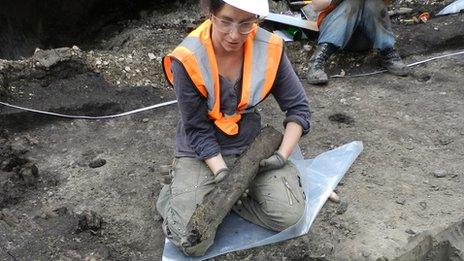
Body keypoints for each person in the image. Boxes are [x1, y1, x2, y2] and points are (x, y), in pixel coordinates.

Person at [156, 0, 311, 256]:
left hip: (251, 147)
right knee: (190, 241)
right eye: (226, 21)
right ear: (211, 13)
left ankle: (230, 199)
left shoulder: (269, 48)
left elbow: (299, 109)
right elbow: (196, 130)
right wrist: (222, 175)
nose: (234, 34)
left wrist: (282, 155)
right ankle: (172, 191)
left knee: (289, 217)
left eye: (246, 23)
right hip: (201, 152)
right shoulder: (187, 58)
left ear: (256, 19)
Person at [307, 0, 409, 85]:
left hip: (367, 37)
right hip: (338, 35)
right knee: (353, 2)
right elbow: (316, 6)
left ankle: (388, 51)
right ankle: (317, 59)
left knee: (373, 2)